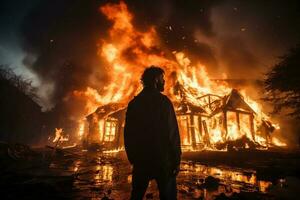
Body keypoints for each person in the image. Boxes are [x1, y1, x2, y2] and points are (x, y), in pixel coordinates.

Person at [124, 66, 181, 200]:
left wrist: (133, 158)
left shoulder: (134, 103)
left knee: (137, 195)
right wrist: (176, 159)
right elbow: (172, 133)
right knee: (168, 196)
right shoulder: (164, 103)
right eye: (162, 78)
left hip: (141, 160)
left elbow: (128, 134)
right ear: (156, 80)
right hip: (163, 159)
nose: (164, 82)